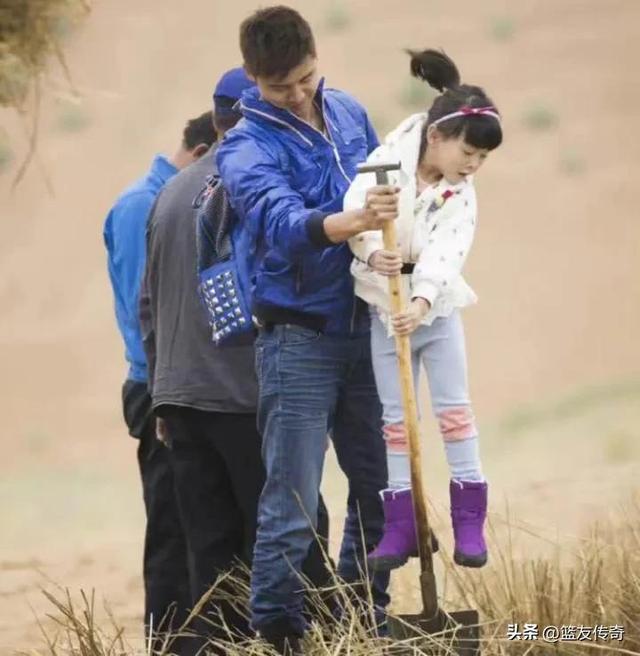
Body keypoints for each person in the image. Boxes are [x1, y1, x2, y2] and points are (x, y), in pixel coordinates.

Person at [216, 6, 398, 653]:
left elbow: (388, 180)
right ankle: (280, 635)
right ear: (251, 79)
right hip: (296, 340)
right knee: (291, 505)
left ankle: (363, 623)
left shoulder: (348, 110)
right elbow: (283, 226)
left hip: (367, 327)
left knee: (380, 493)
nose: (296, 96)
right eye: (278, 88)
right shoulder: (244, 147)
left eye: (304, 79)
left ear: (318, 58)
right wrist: (354, 222)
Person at [140, 67, 332, 654]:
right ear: (254, 116)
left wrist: (161, 396)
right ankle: (320, 644)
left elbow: (147, 307)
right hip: (247, 395)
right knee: (296, 539)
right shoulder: (249, 187)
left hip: (182, 401)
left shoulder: (171, 193)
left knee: (212, 562)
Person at [345, 49, 503, 572]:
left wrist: (422, 299)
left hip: (434, 310)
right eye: (469, 153)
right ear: (436, 136)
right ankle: (401, 526)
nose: (473, 165)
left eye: (482, 159)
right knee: (396, 421)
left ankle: (468, 523)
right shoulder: (383, 164)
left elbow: (449, 248)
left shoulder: (463, 191)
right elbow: (356, 218)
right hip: (384, 307)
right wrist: (372, 251)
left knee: (455, 413)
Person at [103, 112, 216, 642]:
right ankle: (172, 644)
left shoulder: (172, 200)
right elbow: (138, 307)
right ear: (200, 156)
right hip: (157, 385)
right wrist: (169, 391)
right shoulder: (139, 208)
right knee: (172, 525)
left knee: (202, 520)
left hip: (187, 380)